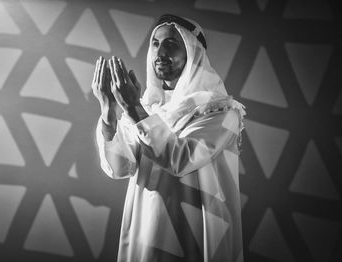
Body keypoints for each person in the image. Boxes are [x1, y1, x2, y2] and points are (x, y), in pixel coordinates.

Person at [91, 14, 246, 262]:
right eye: (155, 43)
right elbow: (119, 167)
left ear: (193, 54)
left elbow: (180, 160)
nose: (159, 52)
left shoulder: (223, 111)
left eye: (172, 44)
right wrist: (108, 111)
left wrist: (133, 109)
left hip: (192, 235)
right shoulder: (149, 110)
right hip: (145, 232)